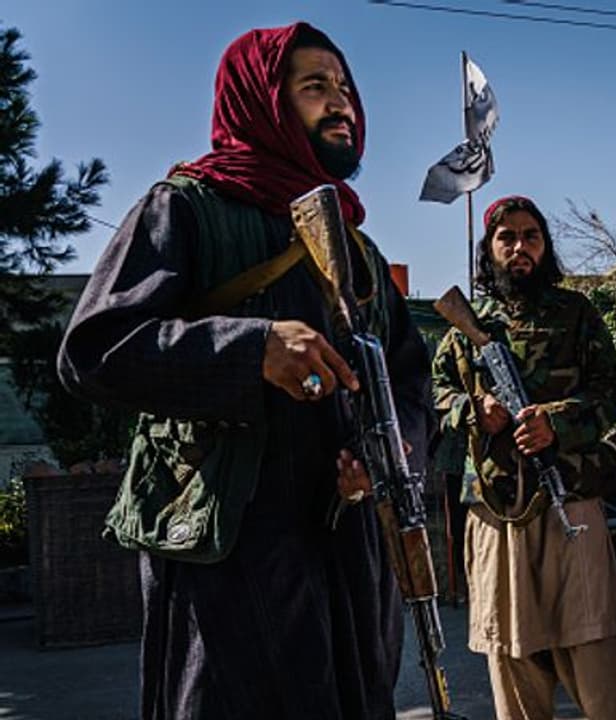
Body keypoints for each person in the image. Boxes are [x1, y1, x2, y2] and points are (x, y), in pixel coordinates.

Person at [56, 23, 429, 719]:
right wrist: (248, 349)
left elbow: (410, 377)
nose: (341, 104)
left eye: (345, 88)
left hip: (347, 555)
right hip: (230, 555)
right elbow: (93, 349)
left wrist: (390, 453)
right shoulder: (187, 208)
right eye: (315, 87)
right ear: (260, 99)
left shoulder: (359, 248)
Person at [431, 195, 616, 720]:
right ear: (489, 249)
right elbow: (432, 395)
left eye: (531, 236)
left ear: (545, 248)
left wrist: (558, 424)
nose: (519, 248)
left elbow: (613, 392)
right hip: (495, 512)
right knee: (511, 657)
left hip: (569, 501)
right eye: (507, 238)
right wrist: (473, 407)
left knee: (596, 653)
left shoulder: (576, 314)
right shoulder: (467, 326)